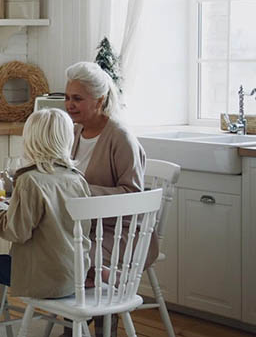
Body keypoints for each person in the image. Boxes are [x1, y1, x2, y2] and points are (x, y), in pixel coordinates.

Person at [64, 61, 154, 336]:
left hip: (118, 233)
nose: (69, 105)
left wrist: (84, 191)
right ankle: (77, 323)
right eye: (67, 97)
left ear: (100, 100)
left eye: (78, 98)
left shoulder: (121, 137)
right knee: (56, 250)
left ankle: (92, 326)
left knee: (72, 256)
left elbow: (133, 197)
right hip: (86, 228)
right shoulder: (75, 132)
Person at [0, 108, 92, 299]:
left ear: (30, 140)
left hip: (44, 281)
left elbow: (16, 232)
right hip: (75, 277)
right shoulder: (77, 179)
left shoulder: (29, 180)